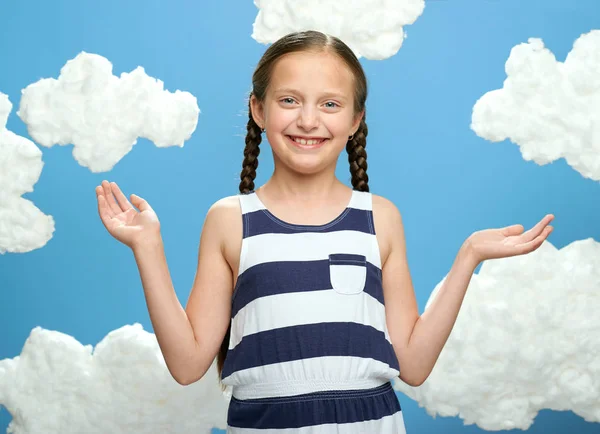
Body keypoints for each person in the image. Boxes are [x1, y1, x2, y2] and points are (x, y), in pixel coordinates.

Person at [95, 30, 554, 433]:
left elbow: (412, 365)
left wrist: (468, 255)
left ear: (355, 120)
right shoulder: (230, 219)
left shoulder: (380, 218)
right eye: (289, 100)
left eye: (330, 104)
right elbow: (187, 363)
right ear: (257, 109)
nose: (309, 120)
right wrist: (147, 247)